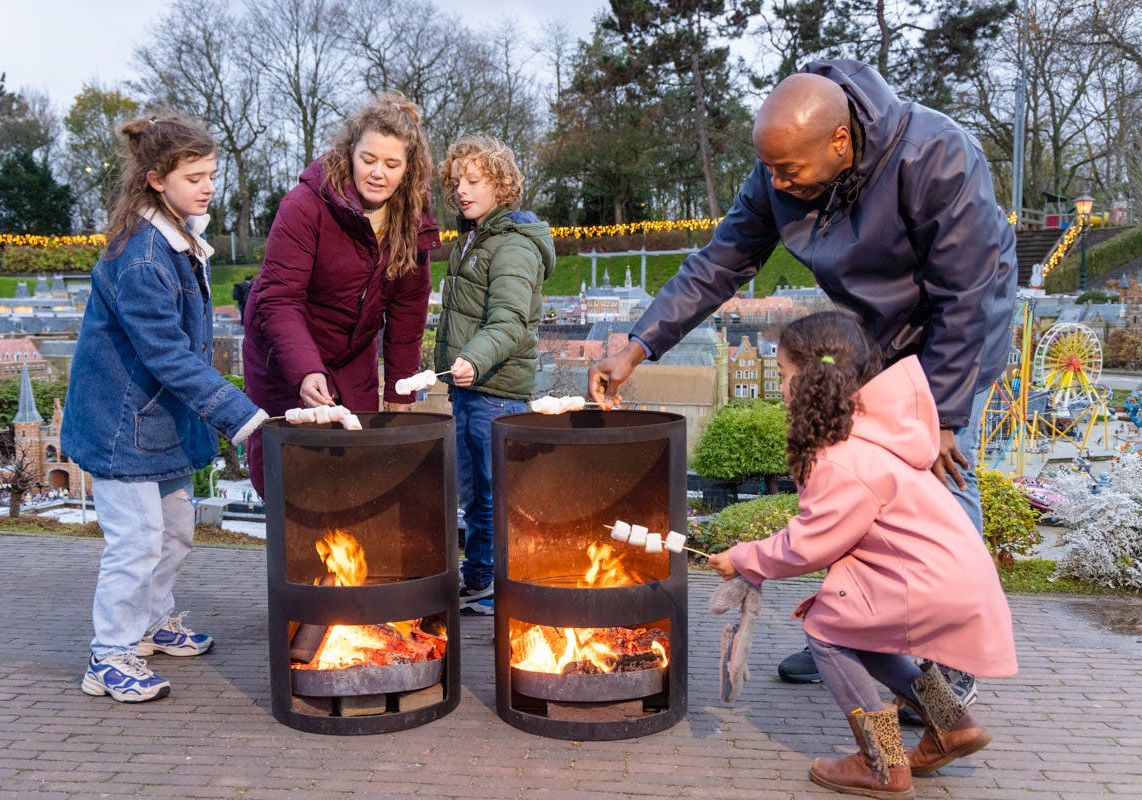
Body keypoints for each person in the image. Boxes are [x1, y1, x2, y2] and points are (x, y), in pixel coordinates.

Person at [589, 59, 1016, 687]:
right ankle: (854, 630)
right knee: (844, 486)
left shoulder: (936, 156)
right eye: (769, 168)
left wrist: (945, 415)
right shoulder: (779, 172)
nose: (776, 182)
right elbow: (718, 263)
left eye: (789, 170)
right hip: (869, 343)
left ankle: (948, 665)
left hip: (955, 339)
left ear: (839, 142)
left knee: (935, 487)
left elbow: (968, 294)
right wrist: (639, 344)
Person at [708, 311, 1016, 799]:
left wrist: (744, 558)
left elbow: (810, 543)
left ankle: (882, 763)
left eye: (785, 374)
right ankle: (952, 724)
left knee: (825, 632)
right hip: (949, 574)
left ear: (807, 382)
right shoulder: (875, 433)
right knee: (861, 637)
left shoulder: (841, 459)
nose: (782, 387)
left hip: (927, 581)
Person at [62, 114, 268, 703]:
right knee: (135, 541)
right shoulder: (144, 256)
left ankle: (151, 622)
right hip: (121, 425)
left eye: (212, 175)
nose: (208, 187)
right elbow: (168, 354)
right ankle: (109, 655)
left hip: (158, 422)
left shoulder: (179, 238)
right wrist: (244, 416)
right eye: (195, 176)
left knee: (175, 531)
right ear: (156, 179)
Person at [242, 92, 440, 497]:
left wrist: (400, 391)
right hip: (283, 352)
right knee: (291, 474)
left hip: (353, 355)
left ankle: (347, 558)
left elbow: (407, 311)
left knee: (356, 462)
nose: (378, 173)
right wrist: (305, 370)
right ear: (351, 153)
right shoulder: (304, 205)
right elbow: (279, 298)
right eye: (368, 159)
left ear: (409, 168)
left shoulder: (413, 218)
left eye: (391, 164)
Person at [435, 135, 555, 613]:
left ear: (503, 185)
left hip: (497, 392)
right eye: (457, 180)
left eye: (475, 180)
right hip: (469, 389)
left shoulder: (513, 247)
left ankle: (507, 589)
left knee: (497, 497)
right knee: (475, 496)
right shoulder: (473, 240)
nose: (462, 189)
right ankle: (480, 581)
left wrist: (476, 358)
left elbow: (508, 320)